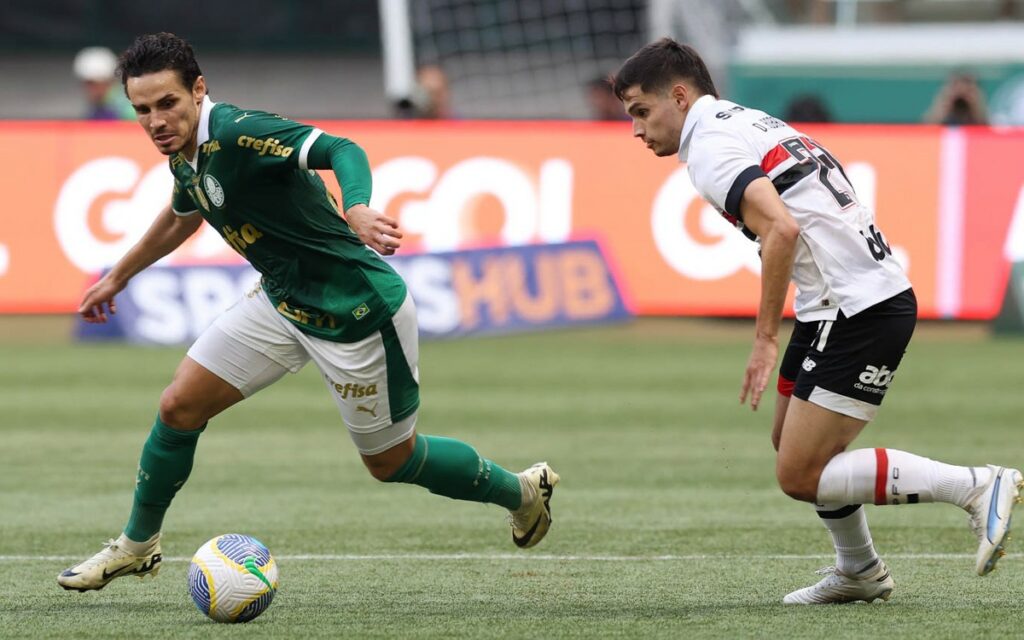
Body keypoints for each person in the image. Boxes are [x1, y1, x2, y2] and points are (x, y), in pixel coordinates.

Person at [57, 32, 559, 592]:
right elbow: (182, 216)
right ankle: (137, 546)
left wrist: (359, 207)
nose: (155, 121)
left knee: (390, 461)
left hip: (357, 311)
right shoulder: (185, 157)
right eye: (142, 110)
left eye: (167, 103)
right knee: (178, 406)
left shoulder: (240, 132)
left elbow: (341, 148)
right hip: (282, 299)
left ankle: (520, 491)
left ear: (199, 91)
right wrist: (118, 277)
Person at [612, 38, 1021, 604]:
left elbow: (782, 229)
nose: (636, 130)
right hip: (838, 300)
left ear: (679, 96)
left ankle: (975, 485)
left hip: (857, 307)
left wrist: (762, 339)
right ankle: (859, 570)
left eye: (641, 111)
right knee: (790, 444)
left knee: (799, 474)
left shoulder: (707, 147)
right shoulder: (745, 119)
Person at [72, 46, 135, 121]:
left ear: (111, 82)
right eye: (88, 84)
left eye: (94, 84)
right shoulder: (95, 110)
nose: (91, 90)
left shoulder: (130, 111)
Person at [924, 72, 988, 126]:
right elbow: (925, 131)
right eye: (955, 86)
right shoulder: (942, 112)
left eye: (969, 90)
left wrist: (977, 108)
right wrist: (941, 107)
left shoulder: (982, 118)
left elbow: (989, 130)